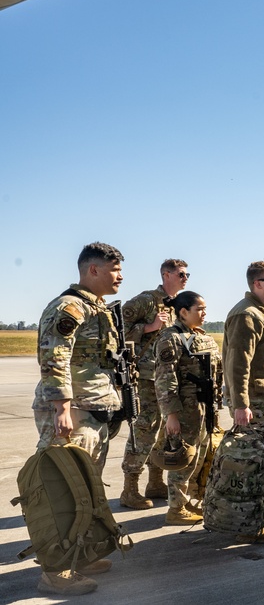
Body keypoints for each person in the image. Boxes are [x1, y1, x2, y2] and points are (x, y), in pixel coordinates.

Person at [31, 242, 125, 595]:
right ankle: (54, 572)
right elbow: (54, 356)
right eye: (114, 269)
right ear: (93, 270)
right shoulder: (69, 307)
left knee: (85, 492)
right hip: (73, 413)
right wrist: (61, 408)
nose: (120, 276)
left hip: (94, 413)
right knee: (61, 491)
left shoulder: (97, 307)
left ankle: (79, 555)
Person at [222, 260, 264, 543]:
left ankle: (259, 518)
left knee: (262, 462)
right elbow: (237, 364)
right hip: (254, 403)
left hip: (263, 400)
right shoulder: (247, 315)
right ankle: (250, 524)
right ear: (257, 284)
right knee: (252, 465)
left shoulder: (263, 313)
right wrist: (240, 405)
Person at [119, 258, 189, 510]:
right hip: (147, 376)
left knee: (164, 431)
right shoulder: (146, 300)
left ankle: (155, 482)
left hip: (169, 377)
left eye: (187, 274)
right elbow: (116, 328)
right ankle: (129, 488)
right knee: (145, 428)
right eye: (181, 274)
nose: (185, 278)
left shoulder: (180, 304)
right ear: (166, 275)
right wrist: (149, 327)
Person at [153, 291, 222, 526]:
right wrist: (171, 415)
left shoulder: (199, 337)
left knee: (200, 456)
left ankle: (187, 500)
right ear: (183, 312)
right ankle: (175, 508)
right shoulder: (170, 339)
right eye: (199, 309)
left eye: (204, 309)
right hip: (184, 409)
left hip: (204, 408)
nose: (204, 313)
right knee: (183, 457)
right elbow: (165, 380)